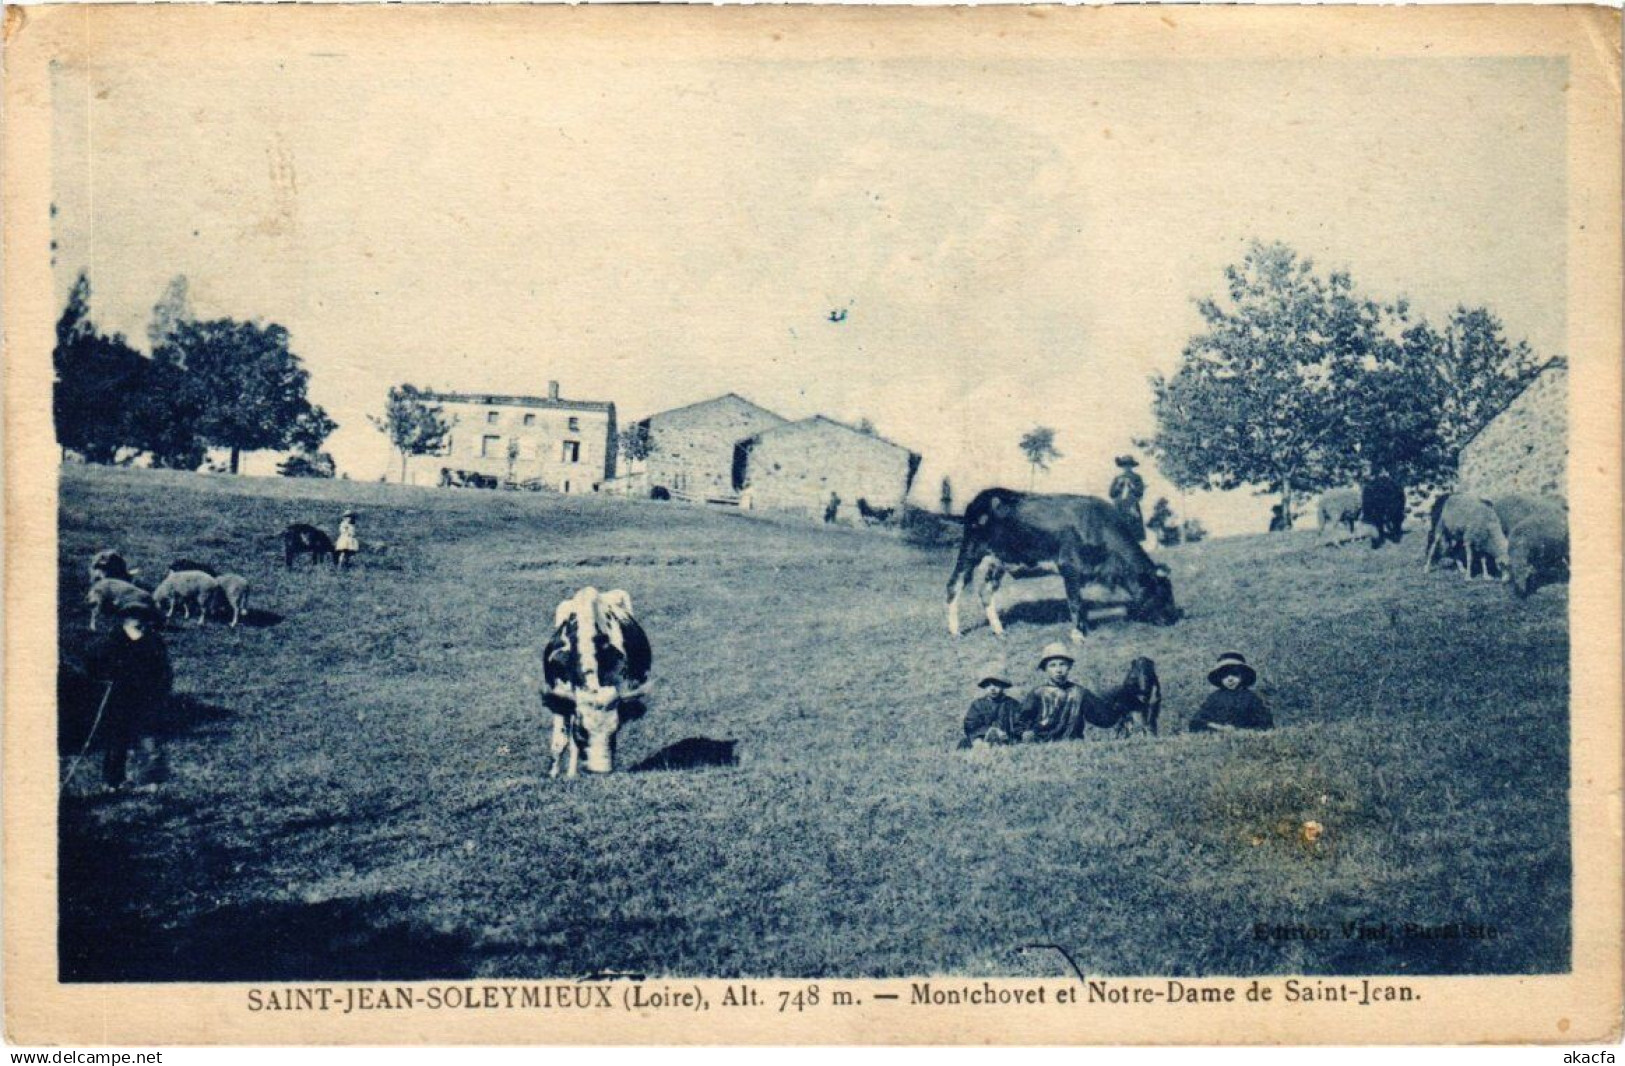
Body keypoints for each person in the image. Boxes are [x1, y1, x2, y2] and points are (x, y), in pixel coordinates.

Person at [82, 602, 173, 792]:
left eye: (143, 620)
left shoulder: (153, 641)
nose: (140, 624)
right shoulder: (112, 640)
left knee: (148, 737)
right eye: (135, 620)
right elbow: (93, 663)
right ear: (124, 620)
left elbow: (164, 669)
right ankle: (112, 782)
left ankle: (150, 782)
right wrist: (104, 676)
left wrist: (161, 689)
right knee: (117, 738)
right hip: (118, 698)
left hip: (147, 697)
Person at [1016, 643, 1091, 742]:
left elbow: (1101, 718)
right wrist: (1025, 733)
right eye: (1052, 665)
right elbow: (1022, 720)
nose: (1058, 670)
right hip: (1042, 742)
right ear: (1045, 669)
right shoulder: (1038, 693)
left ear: (1069, 667)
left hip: (1072, 742)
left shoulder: (1080, 692)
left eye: (1062, 664)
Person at [1188, 652, 1273, 733]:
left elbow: (1266, 724)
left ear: (1242, 675)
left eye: (1234, 674)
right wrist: (1219, 728)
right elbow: (1196, 722)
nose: (1230, 679)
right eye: (1225, 675)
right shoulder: (1214, 698)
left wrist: (1241, 731)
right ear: (1220, 678)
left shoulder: (1251, 698)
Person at [958, 672, 1021, 748]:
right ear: (985, 687)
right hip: (981, 738)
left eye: (996, 685)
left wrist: (1006, 734)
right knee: (973, 744)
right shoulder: (977, 705)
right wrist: (988, 731)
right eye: (988, 685)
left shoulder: (1012, 704)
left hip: (1006, 740)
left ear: (1003, 686)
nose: (992, 688)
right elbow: (970, 725)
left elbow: (1020, 724)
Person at [1110, 456, 1147, 542]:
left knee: (1133, 527)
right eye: (1125, 465)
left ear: (1132, 466)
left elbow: (1140, 492)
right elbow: (1112, 494)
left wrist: (1132, 486)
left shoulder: (1137, 477)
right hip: (1119, 505)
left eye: (1129, 465)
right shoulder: (1118, 478)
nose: (1127, 467)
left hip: (1132, 504)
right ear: (1122, 467)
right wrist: (1119, 486)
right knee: (1120, 528)